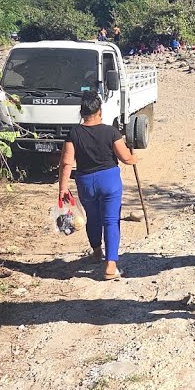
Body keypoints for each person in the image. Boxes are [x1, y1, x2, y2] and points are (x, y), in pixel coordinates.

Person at [58, 91, 138, 280]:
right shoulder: (111, 131)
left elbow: (67, 162)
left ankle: (96, 252)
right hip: (109, 180)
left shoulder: (74, 133)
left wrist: (62, 187)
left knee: (92, 218)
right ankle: (111, 266)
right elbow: (125, 158)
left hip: (86, 182)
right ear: (100, 111)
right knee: (111, 221)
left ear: (81, 111)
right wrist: (134, 158)